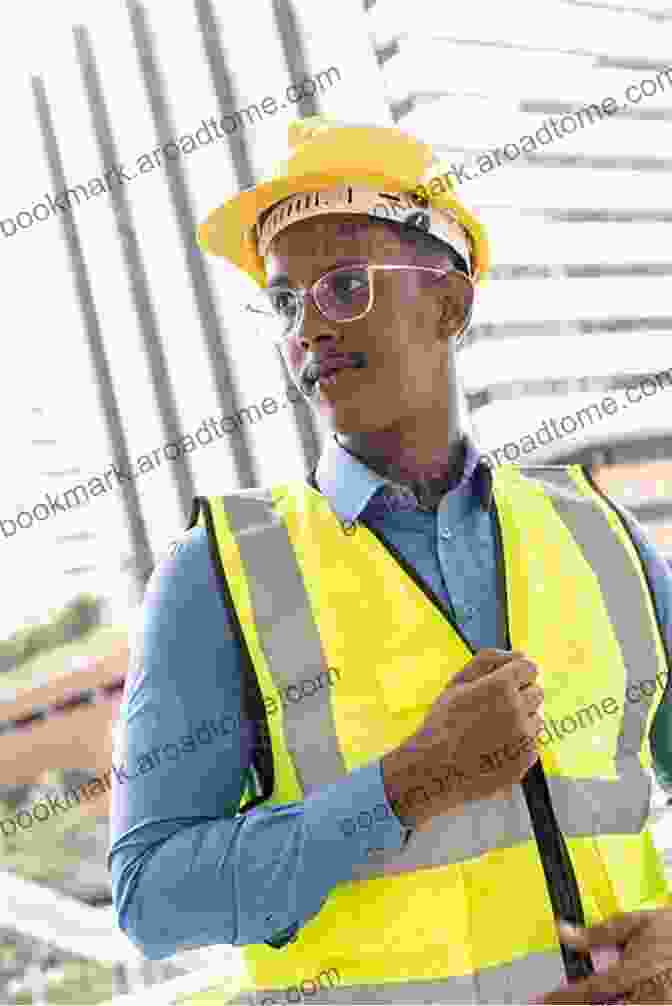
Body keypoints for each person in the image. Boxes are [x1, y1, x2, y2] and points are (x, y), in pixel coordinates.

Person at [108, 117, 672, 1005]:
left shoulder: (601, 532)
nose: (309, 332)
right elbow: (151, 894)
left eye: (344, 286)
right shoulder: (214, 573)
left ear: (449, 305)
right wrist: (409, 784)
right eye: (286, 303)